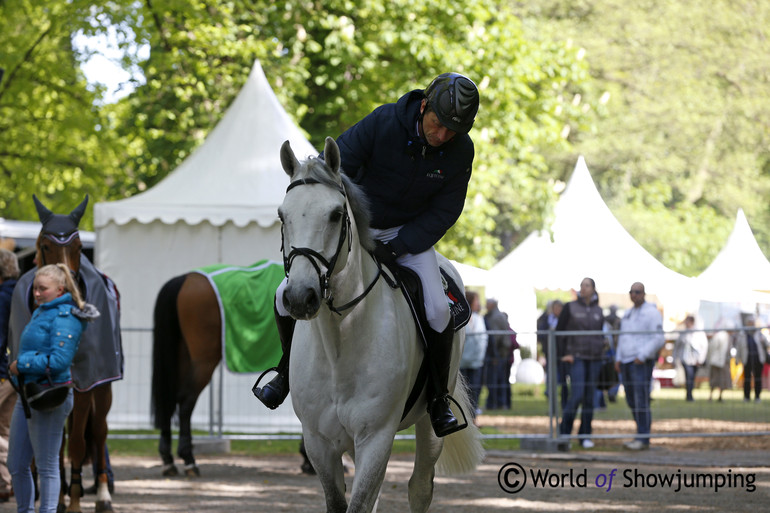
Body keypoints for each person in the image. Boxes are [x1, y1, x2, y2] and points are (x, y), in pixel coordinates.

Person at [254, 72, 480, 437]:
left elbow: (446, 210)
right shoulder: (383, 121)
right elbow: (334, 171)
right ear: (424, 106)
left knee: (439, 309)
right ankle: (283, 372)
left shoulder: (460, 151)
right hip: (358, 229)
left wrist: (402, 243)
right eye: (438, 125)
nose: (442, 137)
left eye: (452, 132)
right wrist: (352, 228)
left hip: (409, 239)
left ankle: (438, 399)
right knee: (283, 295)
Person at [7, 264, 98, 513]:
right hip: (28, 394)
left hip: (50, 396)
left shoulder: (66, 317)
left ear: (60, 290)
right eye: (35, 288)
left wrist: (21, 364)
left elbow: (59, 361)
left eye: (42, 289)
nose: (36, 293)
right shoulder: (42, 312)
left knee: (47, 466)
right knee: (15, 463)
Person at [614, 282, 664, 451]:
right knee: (630, 400)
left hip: (640, 363)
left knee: (641, 400)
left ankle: (643, 438)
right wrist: (619, 358)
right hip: (626, 361)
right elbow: (623, 337)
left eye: (637, 292)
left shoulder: (652, 313)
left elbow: (658, 338)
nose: (634, 295)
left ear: (643, 293)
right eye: (631, 292)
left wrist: (642, 356)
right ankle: (640, 434)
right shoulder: (628, 314)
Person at [556, 277, 605, 449]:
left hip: (594, 359)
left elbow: (600, 333)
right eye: (582, 285)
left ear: (593, 289)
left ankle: (585, 435)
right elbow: (559, 332)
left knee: (589, 398)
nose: (583, 288)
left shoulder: (599, 310)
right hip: (576, 357)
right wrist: (564, 354)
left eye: (587, 285)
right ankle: (564, 434)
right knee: (576, 395)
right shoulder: (570, 307)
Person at [0, 249, 20, 503]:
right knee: (4, 429)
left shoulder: (3, 297)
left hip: (1, 370)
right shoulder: (23, 293)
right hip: (16, 371)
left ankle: (6, 482)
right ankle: (6, 483)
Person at [459, 291, 487, 418]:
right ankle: (464, 416)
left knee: (475, 390)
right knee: (464, 391)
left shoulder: (479, 319)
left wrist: (481, 356)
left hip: (476, 361)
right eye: (477, 300)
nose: (479, 303)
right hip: (462, 361)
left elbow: (483, 338)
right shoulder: (460, 316)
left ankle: (473, 416)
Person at [482, 298, 511, 411]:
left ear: (492, 305)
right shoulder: (498, 315)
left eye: (487, 304)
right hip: (502, 352)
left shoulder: (495, 317)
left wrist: (494, 354)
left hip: (498, 353)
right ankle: (501, 403)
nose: (485, 306)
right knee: (500, 379)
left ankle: (493, 404)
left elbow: (495, 337)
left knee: (494, 380)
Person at [673, 315, 708, 401]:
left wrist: (700, 359)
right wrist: (675, 358)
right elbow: (677, 347)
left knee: (692, 377)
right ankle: (689, 395)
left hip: (695, 360)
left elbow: (704, 347)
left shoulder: (698, 333)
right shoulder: (683, 333)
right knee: (689, 376)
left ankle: (690, 394)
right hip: (685, 359)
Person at [736, 315, 770, 402]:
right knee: (747, 378)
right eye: (750, 323)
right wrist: (737, 359)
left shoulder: (759, 334)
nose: (752, 324)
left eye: (753, 323)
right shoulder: (742, 334)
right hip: (747, 359)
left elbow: (767, 344)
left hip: (758, 359)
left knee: (758, 378)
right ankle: (746, 397)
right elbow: (739, 348)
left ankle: (757, 396)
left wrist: (764, 340)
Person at [707, 320, 734, 402]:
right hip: (716, 361)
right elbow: (712, 347)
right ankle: (711, 397)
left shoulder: (728, 337)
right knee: (715, 380)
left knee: (723, 380)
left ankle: (720, 397)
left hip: (724, 362)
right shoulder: (720, 336)